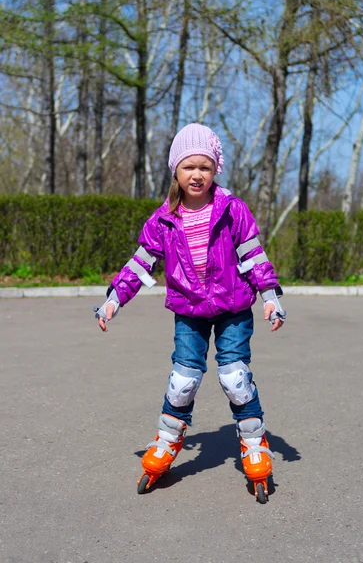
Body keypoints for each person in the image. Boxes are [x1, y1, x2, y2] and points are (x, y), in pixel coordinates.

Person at [94, 123, 286, 503]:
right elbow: (139, 265)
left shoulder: (232, 209)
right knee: (183, 380)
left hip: (233, 308)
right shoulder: (164, 219)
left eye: (205, 167)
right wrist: (115, 297)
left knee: (235, 377)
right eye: (188, 167)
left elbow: (253, 255)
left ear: (216, 170)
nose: (196, 175)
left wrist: (270, 294)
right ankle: (168, 440)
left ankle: (253, 441)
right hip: (189, 311)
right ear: (175, 171)